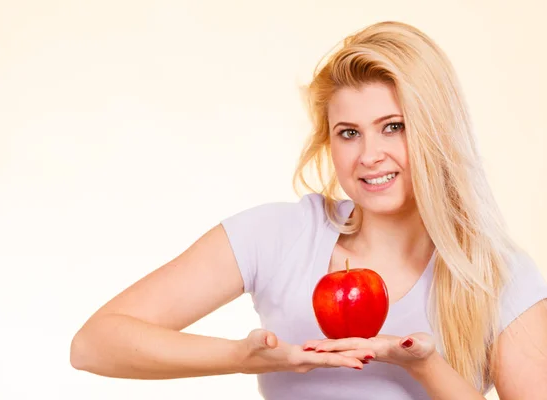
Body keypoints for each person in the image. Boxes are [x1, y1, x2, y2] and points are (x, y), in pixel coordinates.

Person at [69, 21, 547, 399]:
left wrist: (425, 366)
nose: (369, 155)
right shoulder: (278, 236)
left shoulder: (496, 275)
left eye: (394, 126)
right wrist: (245, 357)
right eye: (349, 132)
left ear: (437, 131)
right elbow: (94, 345)